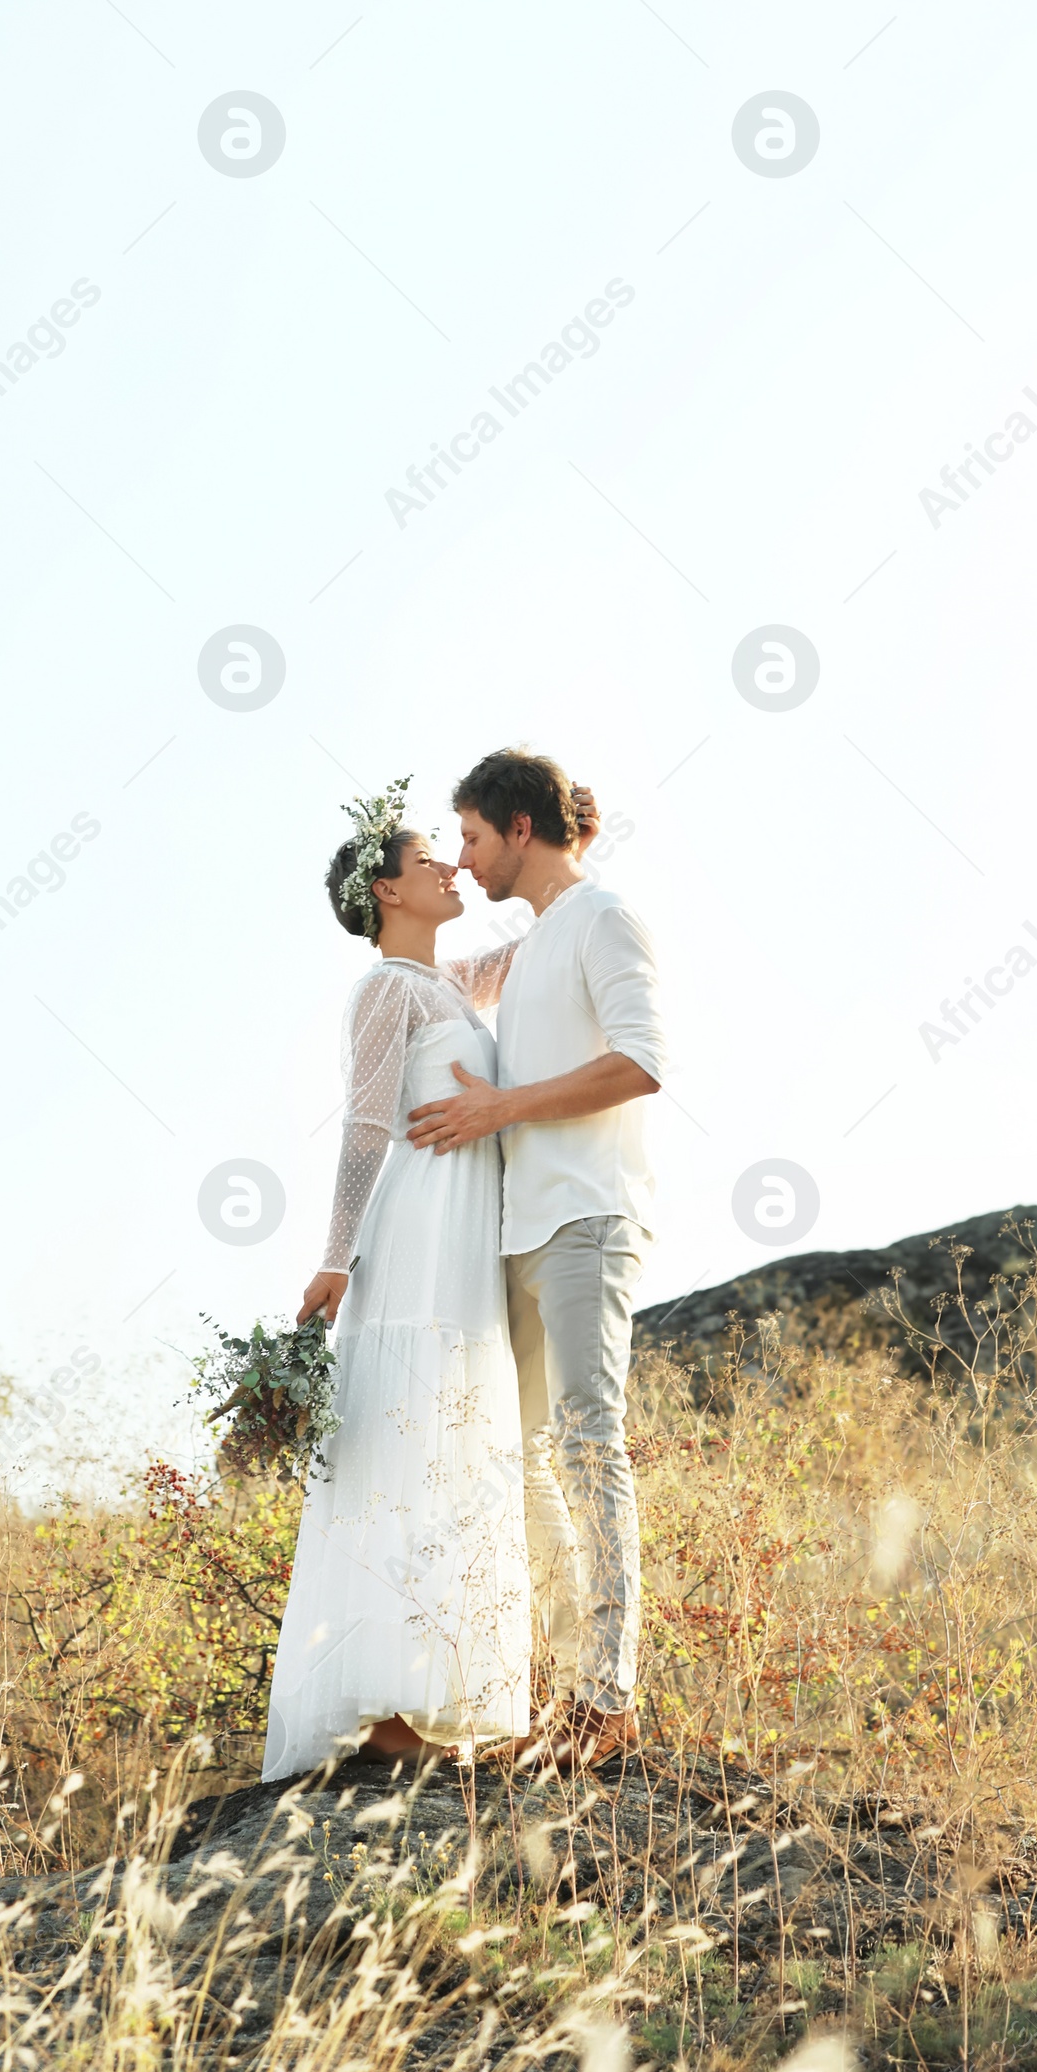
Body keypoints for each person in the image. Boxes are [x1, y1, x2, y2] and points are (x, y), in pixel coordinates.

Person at [262, 777, 593, 1779]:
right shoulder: (387, 992)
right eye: (426, 861)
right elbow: (366, 1129)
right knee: (409, 1437)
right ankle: (389, 1709)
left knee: (455, 1436)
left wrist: (575, 843)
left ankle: (430, 1698)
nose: (451, 866)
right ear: (386, 893)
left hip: (462, 1241)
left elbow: (546, 934)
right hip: (410, 1239)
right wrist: (333, 1256)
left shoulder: (451, 986)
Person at [407, 749, 666, 1770]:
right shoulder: (530, 947)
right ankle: (559, 1684)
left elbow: (641, 1060)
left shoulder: (601, 918)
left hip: (585, 1219)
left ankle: (607, 1698)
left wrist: (498, 1108)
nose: (462, 862)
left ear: (520, 828)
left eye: (470, 838)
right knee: (512, 1460)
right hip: (515, 1232)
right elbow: (419, 980)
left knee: (588, 1444)